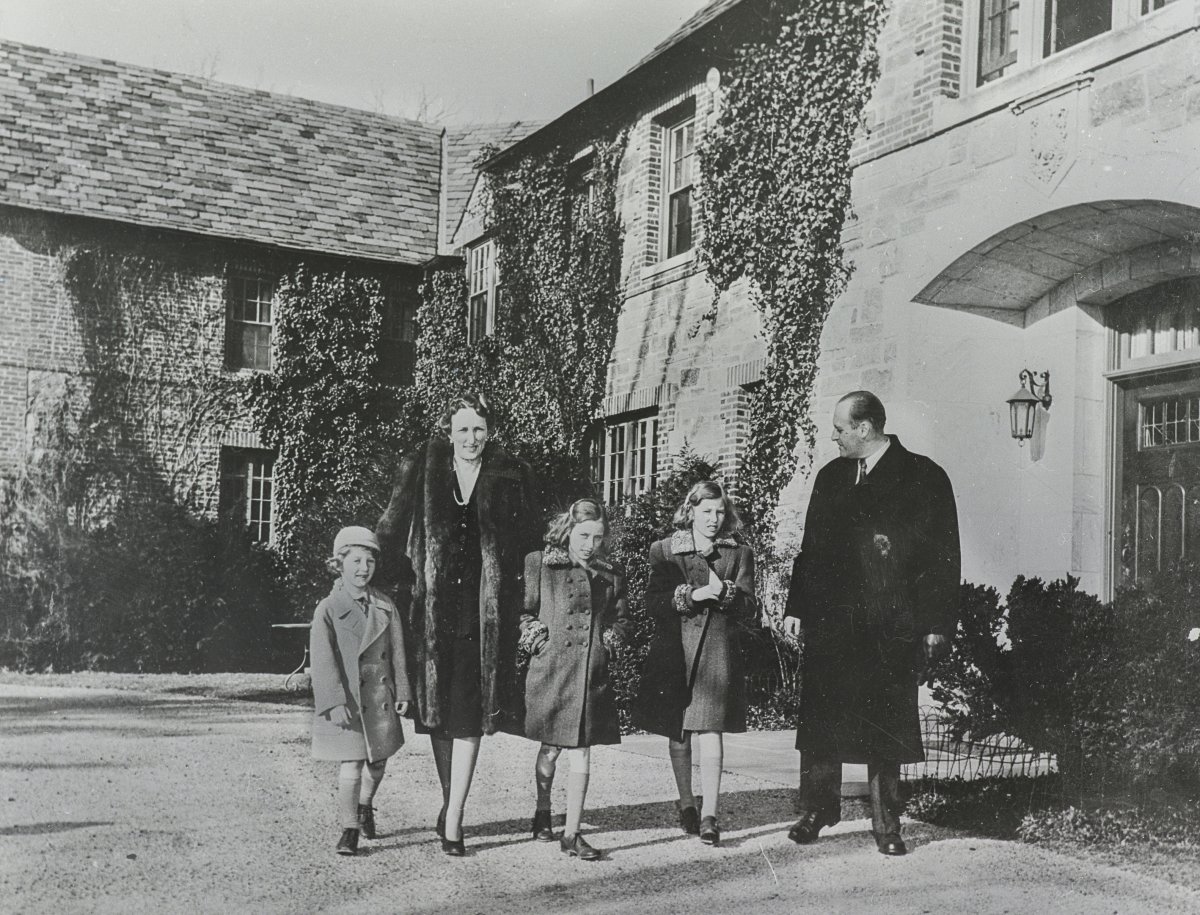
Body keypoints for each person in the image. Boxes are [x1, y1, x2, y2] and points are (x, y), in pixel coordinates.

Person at [783, 390, 960, 856]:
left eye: (839, 429)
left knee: (885, 723)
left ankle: (887, 824)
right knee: (822, 719)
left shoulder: (923, 476)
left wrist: (936, 624)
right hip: (832, 623)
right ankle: (818, 809)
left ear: (865, 428)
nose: (834, 437)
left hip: (889, 625)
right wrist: (797, 607)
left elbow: (943, 559)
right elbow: (810, 550)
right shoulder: (830, 477)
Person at [376, 392, 538, 856]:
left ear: (491, 432)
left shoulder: (511, 474)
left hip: (485, 615)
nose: (471, 438)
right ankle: (451, 803)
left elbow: (530, 543)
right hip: (431, 612)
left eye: (479, 429)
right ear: (448, 433)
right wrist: (374, 579)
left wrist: (526, 601)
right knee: (438, 715)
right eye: (463, 429)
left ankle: (455, 817)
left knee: (469, 713)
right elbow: (390, 530)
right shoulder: (422, 469)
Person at [633, 480, 756, 847]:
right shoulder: (665, 550)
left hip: (716, 652)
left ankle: (710, 815)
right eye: (705, 511)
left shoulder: (739, 553)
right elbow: (653, 603)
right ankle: (687, 803)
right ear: (690, 512)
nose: (713, 519)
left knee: (712, 731)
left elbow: (750, 606)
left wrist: (728, 593)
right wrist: (692, 595)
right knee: (679, 732)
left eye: (719, 511)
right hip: (675, 653)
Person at [520, 498, 630, 861]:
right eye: (583, 536)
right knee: (550, 748)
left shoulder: (611, 574)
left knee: (582, 751)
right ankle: (543, 810)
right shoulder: (540, 564)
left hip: (589, 674)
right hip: (552, 670)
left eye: (597, 537)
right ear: (568, 530)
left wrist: (606, 645)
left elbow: (621, 621)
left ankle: (572, 833)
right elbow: (524, 612)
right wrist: (538, 641)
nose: (589, 544)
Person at [309, 526, 412, 857]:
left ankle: (365, 804)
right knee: (351, 765)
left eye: (370, 561)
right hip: (350, 700)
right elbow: (322, 660)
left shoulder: (385, 605)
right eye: (355, 561)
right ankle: (349, 828)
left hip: (378, 699)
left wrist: (403, 691)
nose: (363, 568)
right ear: (338, 564)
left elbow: (398, 652)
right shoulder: (328, 608)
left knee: (378, 762)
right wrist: (334, 701)